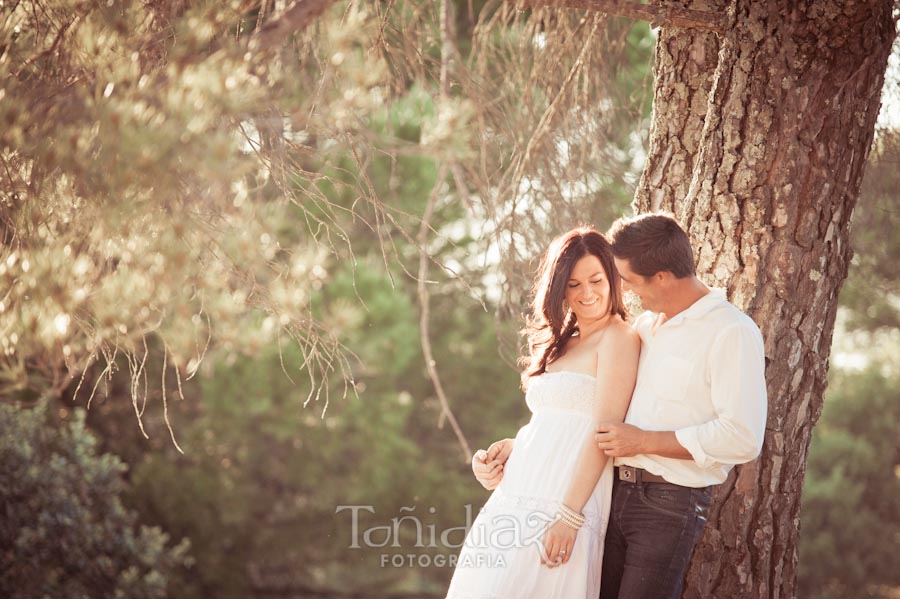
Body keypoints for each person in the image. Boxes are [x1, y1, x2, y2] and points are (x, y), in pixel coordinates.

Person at [474, 213, 768, 599]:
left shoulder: (730, 331)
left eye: (626, 280)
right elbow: (590, 415)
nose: (623, 290)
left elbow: (742, 437)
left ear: (661, 276)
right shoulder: (648, 327)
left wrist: (645, 441)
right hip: (613, 496)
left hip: (669, 502)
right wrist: (525, 447)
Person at [446, 227, 641, 599]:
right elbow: (553, 424)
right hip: (517, 493)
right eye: (573, 284)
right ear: (560, 290)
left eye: (596, 280)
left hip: (565, 501)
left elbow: (604, 433)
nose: (587, 293)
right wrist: (509, 450)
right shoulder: (562, 343)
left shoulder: (618, 337)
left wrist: (569, 517)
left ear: (613, 279)